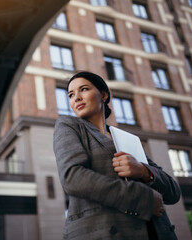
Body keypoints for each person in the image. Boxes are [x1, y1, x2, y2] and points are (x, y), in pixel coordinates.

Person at [53, 71, 181, 240]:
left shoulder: (127, 139)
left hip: (156, 232)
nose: (76, 98)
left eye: (83, 89)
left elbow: (173, 192)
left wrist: (144, 171)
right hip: (105, 231)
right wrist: (144, 199)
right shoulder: (68, 125)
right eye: (71, 94)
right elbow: (73, 178)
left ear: (104, 95)